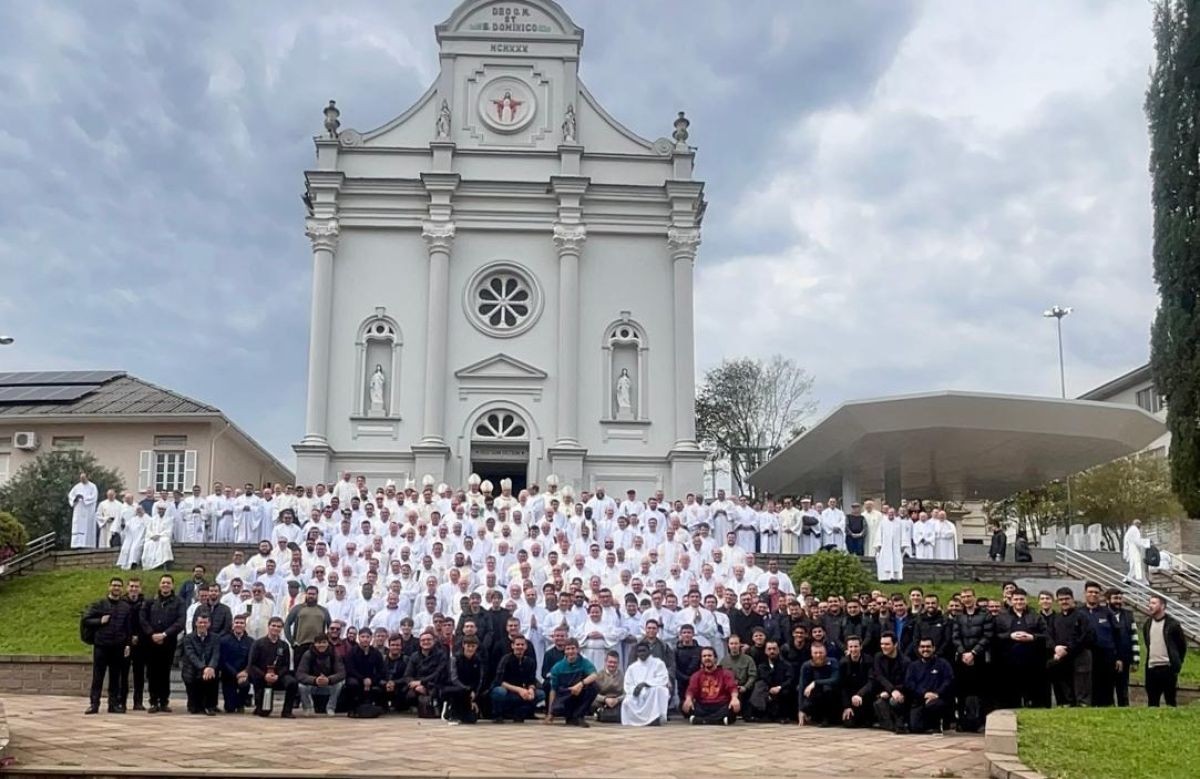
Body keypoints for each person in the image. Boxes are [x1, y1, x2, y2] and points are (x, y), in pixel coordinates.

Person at [81, 576, 134, 714]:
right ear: (109, 587)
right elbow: (86, 620)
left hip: (118, 646)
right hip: (101, 646)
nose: (116, 588)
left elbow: (129, 628)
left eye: (119, 586)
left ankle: (113, 704)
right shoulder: (99, 604)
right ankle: (94, 704)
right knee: (98, 676)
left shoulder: (126, 607)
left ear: (122, 589)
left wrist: (128, 644)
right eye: (114, 585)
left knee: (115, 677)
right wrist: (100, 621)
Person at [994, 587, 1047, 709]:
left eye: (1021, 599)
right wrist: (1009, 636)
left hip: (1032, 662)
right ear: (1011, 601)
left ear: (1026, 600)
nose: (1019, 602)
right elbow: (994, 636)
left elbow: (1045, 635)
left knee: (1032, 693)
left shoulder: (1036, 617)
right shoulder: (1001, 617)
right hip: (1008, 662)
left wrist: (1032, 637)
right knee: (1011, 695)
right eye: (1016, 599)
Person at [139, 574, 184, 713]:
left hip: (168, 641)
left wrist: (164, 634)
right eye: (163, 582)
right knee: (152, 672)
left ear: (172, 585)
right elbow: (142, 618)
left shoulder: (179, 602)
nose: (165, 585)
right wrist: (151, 633)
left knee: (165, 672)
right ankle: (153, 701)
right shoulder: (150, 601)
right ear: (159, 585)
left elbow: (180, 621)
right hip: (151, 642)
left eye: (168, 583)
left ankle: (164, 701)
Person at [1048, 587, 1093, 707]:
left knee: (1082, 683)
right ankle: (1068, 704)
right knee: (1064, 681)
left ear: (1072, 599)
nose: (1064, 602)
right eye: (1061, 599)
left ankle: (1083, 705)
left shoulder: (1082, 616)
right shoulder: (1055, 618)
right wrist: (1056, 648)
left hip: (1080, 654)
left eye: (1067, 599)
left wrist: (1067, 649)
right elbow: (1050, 635)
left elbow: (1086, 636)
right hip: (1062, 656)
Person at [247, 616, 298, 718]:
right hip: (262, 678)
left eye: (279, 626)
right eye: (273, 625)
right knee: (265, 712)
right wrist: (264, 675)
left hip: (279, 676)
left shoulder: (284, 645)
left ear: (281, 629)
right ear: (268, 626)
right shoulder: (258, 643)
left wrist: (278, 676)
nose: (276, 628)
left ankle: (287, 711)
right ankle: (260, 706)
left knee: (292, 682)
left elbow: (286, 665)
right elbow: (252, 665)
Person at [1142, 594, 1187, 707]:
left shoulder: (1173, 625)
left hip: (1168, 668)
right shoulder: (1147, 624)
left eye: (1153, 603)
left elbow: (1182, 646)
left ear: (1162, 606)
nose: (1150, 605)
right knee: (1152, 702)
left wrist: (1177, 662)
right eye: (1149, 603)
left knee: (1170, 701)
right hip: (1152, 668)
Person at [1082, 580, 1121, 707]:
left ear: (1100, 595)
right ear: (1085, 594)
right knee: (1088, 684)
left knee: (1107, 686)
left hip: (1106, 656)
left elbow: (1117, 635)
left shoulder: (1107, 613)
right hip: (1086, 655)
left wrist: (1118, 657)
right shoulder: (1079, 613)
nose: (1093, 594)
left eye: (1096, 592)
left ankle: (1107, 706)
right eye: (1090, 592)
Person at [903, 638, 953, 734]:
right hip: (919, 700)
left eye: (928, 647)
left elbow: (948, 681)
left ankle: (937, 725)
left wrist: (937, 694)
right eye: (922, 647)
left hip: (938, 700)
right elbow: (909, 684)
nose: (925, 649)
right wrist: (924, 694)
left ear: (934, 648)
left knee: (935, 705)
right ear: (918, 649)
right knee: (915, 728)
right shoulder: (913, 666)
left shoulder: (943, 664)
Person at [490, 635, 543, 722]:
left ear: (526, 646)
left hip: (522, 692)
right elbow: (499, 681)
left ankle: (519, 713)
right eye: (517, 644)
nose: (520, 647)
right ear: (512, 646)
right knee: (499, 691)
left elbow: (532, 680)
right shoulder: (505, 659)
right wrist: (519, 690)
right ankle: (498, 715)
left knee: (540, 694)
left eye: (522, 645)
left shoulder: (530, 662)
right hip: (508, 691)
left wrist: (531, 689)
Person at [682, 646, 740, 725]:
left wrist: (734, 698)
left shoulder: (726, 673)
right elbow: (691, 689)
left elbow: (732, 687)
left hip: (720, 705)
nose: (707, 658)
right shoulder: (696, 675)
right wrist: (688, 699)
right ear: (701, 659)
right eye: (704, 656)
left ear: (715, 658)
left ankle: (701, 720)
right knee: (684, 705)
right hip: (703, 706)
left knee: (734, 707)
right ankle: (718, 721)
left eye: (709, 656)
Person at [180, 610, 221, 715]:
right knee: (194, 709)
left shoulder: (216, 638)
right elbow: (191, 655)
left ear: (209, 624)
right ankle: (195, 703)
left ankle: (210, 706)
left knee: (212, 675)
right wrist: (203, 667)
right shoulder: (188, 638)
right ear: (196, 623)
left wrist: (211, 667)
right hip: (192, 669)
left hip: (209, 669)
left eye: (205, 622)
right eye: (200, 622)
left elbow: (216, 654)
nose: (202, 625)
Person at [621, 640, 670, 726]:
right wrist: (634, 690)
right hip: (637, 694)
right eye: (639, 651)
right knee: (627, 702)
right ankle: (636, 721)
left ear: (649, 651)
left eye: (644, 650)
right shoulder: (632, 667)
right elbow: (628, 684)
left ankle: (655, 718)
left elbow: (663, 678)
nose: (641, 653)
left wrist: (645, 684)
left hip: (651, 691)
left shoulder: (658, 663)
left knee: (660, 690)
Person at [400, 631, 448, 717]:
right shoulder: (414, 656)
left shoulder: (441, 655)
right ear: (420, 642)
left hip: (435, 684)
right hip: (418, 686)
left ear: (434, 641)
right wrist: (415, 685)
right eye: (423, 640)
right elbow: (407, 675)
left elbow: (439, 673)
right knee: (408, 695)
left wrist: (422, 683)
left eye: (429, 639)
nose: (426, 642)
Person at [296, 633, 345, 716]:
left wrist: (329, 679)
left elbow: (341, 673)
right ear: (314, 644)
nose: (321, 645)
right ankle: (308, 707)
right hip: (313, 684)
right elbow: (300, 674)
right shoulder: (308, 654)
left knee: (340, 684)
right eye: (318, 643)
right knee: (301, 686)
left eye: (324, 642)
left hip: (329, 684)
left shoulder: (334, 654)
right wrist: (314, 680)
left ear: (327, 643)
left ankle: (331, 707)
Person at [870, 632, 909, 733]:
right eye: (882, 644)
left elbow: (906, 682)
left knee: (894, 701)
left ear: (895, 644)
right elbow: (879, 676)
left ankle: (900, 724)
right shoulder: (878, 657)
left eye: (887, 644)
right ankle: (893, 726)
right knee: (879, 703)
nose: (883, 647)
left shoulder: (905, 661)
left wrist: (894, 691)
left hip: (901, 692)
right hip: (885, 690)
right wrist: (891, 690)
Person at [283, 585, 332, 663]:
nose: (311, 596)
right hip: (300, 645)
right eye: (309, 594)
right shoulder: (297, 608)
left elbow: (330, 627)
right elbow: (287, 624)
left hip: (318, 646)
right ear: (306, 594)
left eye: (313, 594)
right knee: (299, 671)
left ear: (317, 595)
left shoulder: (323, 610)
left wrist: (326, 642)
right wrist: (292, 642)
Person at [343, 627, 386, 713]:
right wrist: (363, 679)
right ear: (359, 638)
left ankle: (380, 707)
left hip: (371, 679)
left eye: (367, 637)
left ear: (371, 638)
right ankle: (352, 708)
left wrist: (371, 680)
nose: (365, 639)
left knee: (382, 684)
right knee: (352, 683)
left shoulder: (376, 653)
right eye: (363, 637)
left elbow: (381, 671)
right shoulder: (352, 652)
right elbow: (350, 669)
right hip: (356, 678)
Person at [443, 635, 485, 724]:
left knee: (471, 720)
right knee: (458, 692)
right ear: (463, 645)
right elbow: (453, 679)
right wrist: (468, 690)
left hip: (470, 691)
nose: (470, 649)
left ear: (476, 646)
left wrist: (474, 693)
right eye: (468, 646)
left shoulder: (478, 660)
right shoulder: (455, 658)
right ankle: (450, 709)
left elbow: (479, 679)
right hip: (454, 689)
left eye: (473, 646)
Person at [798, 641, 840, 726]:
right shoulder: (806, 665)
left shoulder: (833, 662)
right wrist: (801, 709)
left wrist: (816, 683)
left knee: (827, 688)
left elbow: (835, 679)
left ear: (825, 652)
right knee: (799, 689)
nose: (818, 655)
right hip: (815, 695)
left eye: (821, 652)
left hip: (832, 696)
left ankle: (827, 718)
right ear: (811, 653)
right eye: (815, 653)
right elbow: (802, 686)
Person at [219, 614, 254, 713]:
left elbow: (251, 660)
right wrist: (235, 674)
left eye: (241, 623)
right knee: (229, 708)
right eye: (237, 622)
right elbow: (223, 660)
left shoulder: (250, 642)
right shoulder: (224, 640)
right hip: (228, 675)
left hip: (244, 675)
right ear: (232, 624)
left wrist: (245, 672)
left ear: (245, 625)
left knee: (245, 685)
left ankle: (241, 704)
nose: (239, 625)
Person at [590, 650, 624, 723]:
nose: (612, 665)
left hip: (617, 701)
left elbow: (627, 693)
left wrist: (617, 700)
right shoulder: (599, 675)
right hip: (603, 702)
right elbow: (593, 693)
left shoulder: (623, 676)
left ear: (618, 663)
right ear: (605, 662)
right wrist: (605, 699)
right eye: (610, 662)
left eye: (615, 662)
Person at [68, 472, 99, 549]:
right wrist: (75, 499)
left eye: (83, 478)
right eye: (81, 478)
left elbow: (94, 497)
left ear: (87, 478)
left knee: (87, 527)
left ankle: (88, 544)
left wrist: (84, 498)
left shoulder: (92, 486)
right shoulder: (76, 487)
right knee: (78, 526)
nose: (82, 480)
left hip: (88, 511)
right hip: (78, 509)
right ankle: (76, 544)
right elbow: (70, 496)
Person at [141, 502, 175, 571]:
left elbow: (168, 531)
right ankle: (150, 565)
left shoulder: (169, 519)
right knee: (148, 544)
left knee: (164, 542)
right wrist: (152, 536)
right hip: (153, 538)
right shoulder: (153, 519)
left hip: (162, 537)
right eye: (159, 509)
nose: (161, 511)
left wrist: (159, 535)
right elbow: (148, 530)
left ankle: (163, 563)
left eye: (162, 509)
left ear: (165, 510)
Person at [874, 511, 904, 582]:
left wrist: (903, 545)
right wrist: (878, 544)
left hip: (896, 547)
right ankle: (884, 578)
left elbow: (903, 534)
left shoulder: (899, 523)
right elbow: (879, 534)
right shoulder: (883, 523)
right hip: (885, 547)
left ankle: (896, 578)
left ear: (895, 514)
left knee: (896, 562)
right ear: (887, 514)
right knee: (884, 562)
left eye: (892, 513)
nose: (891, 515)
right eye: (889, 513)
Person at [1122, 519, 1150, 584]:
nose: (1140, 526)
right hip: (1134, 549)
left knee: (1137, 565)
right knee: (1136, 565)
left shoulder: (1130, 530)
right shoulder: (1135, 530)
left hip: (1131, 549)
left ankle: (1142, 581)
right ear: (1137, 524)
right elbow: (1137, 541)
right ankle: (1128, 579)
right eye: (1139, 524)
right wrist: (1147, 543)